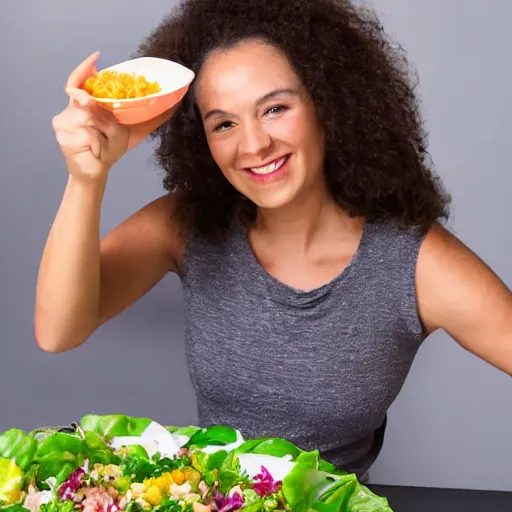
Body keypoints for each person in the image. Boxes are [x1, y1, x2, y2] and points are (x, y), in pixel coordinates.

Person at [35, 0, 512, 479]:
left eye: (275, 108)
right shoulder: (186, 226)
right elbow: (58, 332)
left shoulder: (413, 263)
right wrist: (87, 179)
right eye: (224, 123)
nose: (254, 145)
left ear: (329, 103)